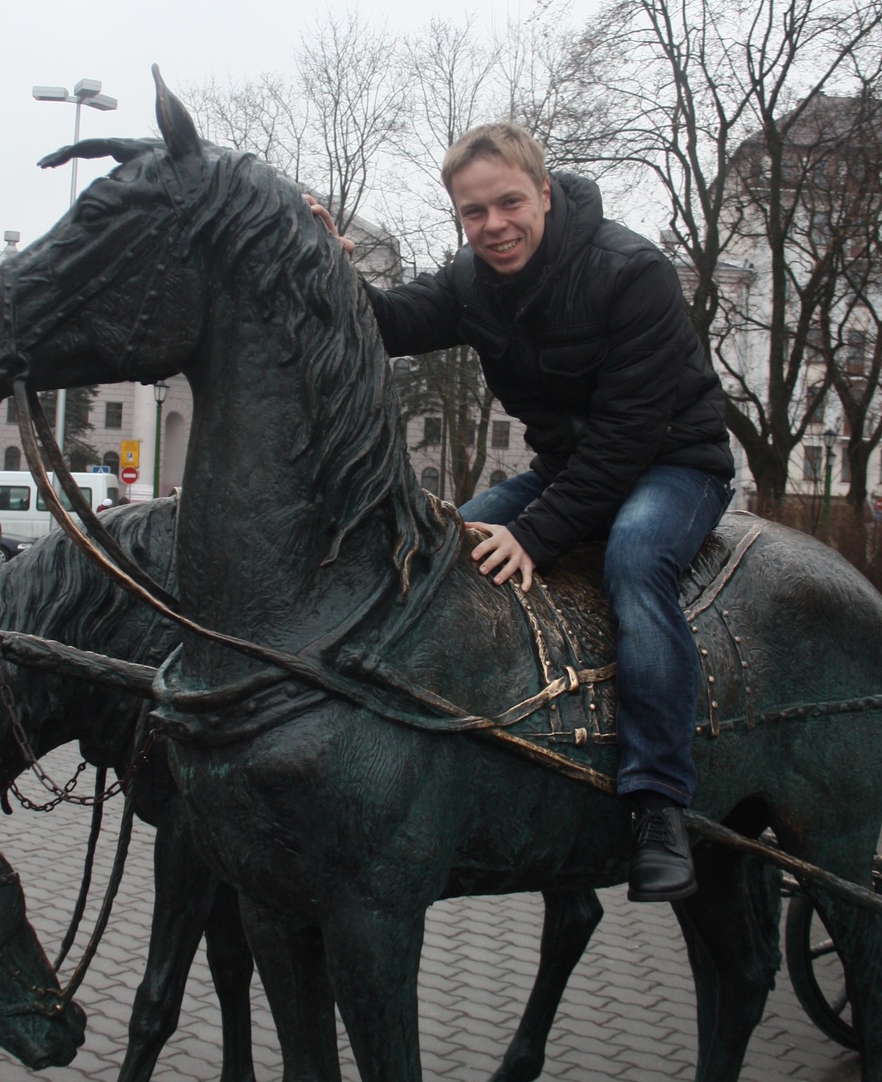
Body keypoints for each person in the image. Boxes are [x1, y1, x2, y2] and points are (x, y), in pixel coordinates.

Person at [313, 123, 733, 901]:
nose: (494, 225)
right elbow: (389, 323)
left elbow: (628, 435)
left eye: (509, 203)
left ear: (544, 192)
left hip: (674, 463)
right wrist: (330, 267)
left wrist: (535, 535)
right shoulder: (472, 281)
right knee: (441, 549)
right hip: (570, 470)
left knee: (636, 563)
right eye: (474, 213)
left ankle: (658, 802)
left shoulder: (630, 272)